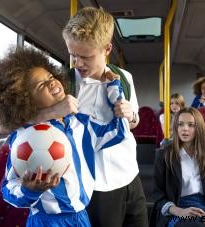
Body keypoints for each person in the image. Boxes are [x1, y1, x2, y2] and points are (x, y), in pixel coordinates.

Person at [0, 47, 130, 227]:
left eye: (50, 77)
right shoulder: (24, 136)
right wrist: (28, 191)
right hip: (44, 221)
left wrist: (114, 89)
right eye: (41, 85)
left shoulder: (79, 124)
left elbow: (117, 132)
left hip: (81, 217)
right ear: (26, 99)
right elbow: (8, 189)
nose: (52, 83)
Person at [36, 7, 148, 227]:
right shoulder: (62, 84)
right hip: (96, 186)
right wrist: (52, 112)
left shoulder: (124, 77)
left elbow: (134, 122)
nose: (77, 63)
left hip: (131, 176)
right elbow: (9, 125)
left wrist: (131, 115)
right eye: (72, 55)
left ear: (107, 49)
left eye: (85, 56)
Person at [152, 107, 205, 227]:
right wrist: (180, 211)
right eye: (180, 124)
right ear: (176, 127)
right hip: (176, 209)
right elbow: (158, 196)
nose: (185, 128)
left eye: (191, 125)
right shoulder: (164, 154)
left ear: (199, 128)